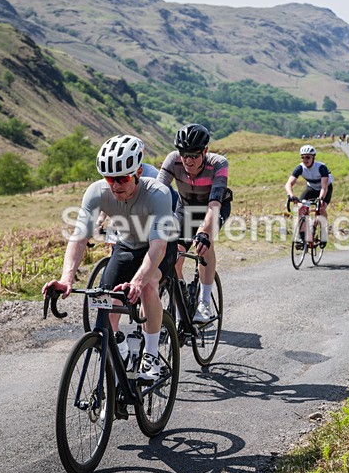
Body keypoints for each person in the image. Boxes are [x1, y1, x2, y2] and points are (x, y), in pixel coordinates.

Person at [42, 134, 176, 382]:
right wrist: (66, 278)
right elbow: (79, 237)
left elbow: (158, 246)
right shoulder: (96, 192)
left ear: (137, 171)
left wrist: (137, 281)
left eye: (122, 178)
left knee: (147, 286)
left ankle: (151, 353)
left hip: (157, 246)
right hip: (126, 245)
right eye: (109, 179)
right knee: (105, 298)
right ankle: (120, 347)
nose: (115, 186)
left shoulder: (158, 192)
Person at [158, 123, 230, 323]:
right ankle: (182, 301)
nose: (188, 160)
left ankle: (204, 302)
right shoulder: (173, 160)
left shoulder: (218, 163)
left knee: (203, 245)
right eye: (184, 154)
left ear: (205, 151)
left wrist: (203, 232)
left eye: (194, 155)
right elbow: (157, 192)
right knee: (175, 253)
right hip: (186, 209)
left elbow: (214, 203)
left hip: (213, 207)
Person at [284, 144, 332, 248]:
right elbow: (288, 184)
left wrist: (321, 198)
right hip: (311, 188)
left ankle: (324, 233)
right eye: (303, 157)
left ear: (313, 157)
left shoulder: (321, 168)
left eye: (308, 157)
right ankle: (302, 237)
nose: (305, 160)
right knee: (301, 207)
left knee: (322, 207)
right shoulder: (300, 168)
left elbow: (324, 187)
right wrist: (291, 195)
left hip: (325, 188)